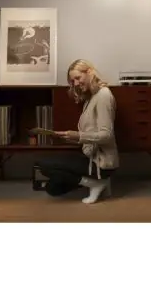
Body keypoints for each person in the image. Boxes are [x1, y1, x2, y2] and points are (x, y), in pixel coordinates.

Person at [37, 59, 119, 204]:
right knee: (52, 188)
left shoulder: (103, 95)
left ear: (89, 72)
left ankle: (97, 183)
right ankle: (99, 183)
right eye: (72, 81)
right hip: (89, 156)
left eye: (77, 78)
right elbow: (91, 132)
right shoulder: (91, 96)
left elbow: (107, 135)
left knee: (44, 165)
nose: (75, 83)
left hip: (101, 163)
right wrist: (71, 137)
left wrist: (78, 136)